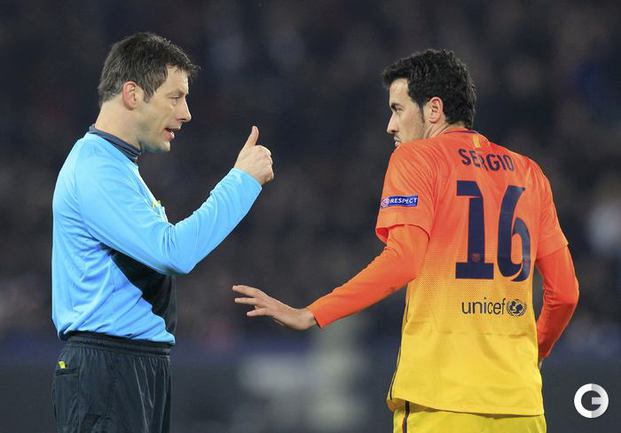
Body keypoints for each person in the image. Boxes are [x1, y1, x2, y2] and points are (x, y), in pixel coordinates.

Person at [233, 49, 579, 433]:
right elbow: (565, 293)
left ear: (434, 109)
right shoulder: (530, 173)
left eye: (398, 109)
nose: (390, 125)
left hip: (442, 401)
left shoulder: (417, 159)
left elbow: (402, 260)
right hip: (521, 406)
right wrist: (534, 352)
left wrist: (312, 313)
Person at [51, 32, 273, 433]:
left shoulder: (117, 167)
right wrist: (241, 183)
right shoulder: (96, 169)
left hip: (131, 365)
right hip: (110, 367)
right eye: (175, 97)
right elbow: (173, 252)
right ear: (133, 94)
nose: (186, 113)